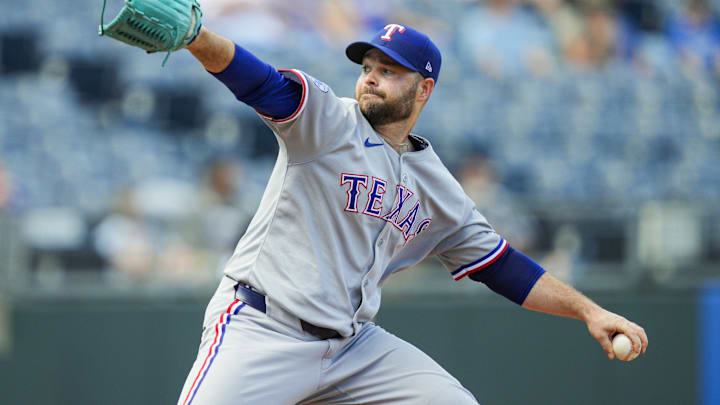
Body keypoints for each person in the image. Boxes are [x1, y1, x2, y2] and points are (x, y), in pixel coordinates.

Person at [103, 10, 648, 402]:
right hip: (262, 329)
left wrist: (589, 311)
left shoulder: (438, 187)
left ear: (424, 89)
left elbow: (504, 267)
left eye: (390, 70)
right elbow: (258, 81)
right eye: (368, 65)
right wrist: (198, 37)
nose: (371, 76)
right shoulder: (327, 122)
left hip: (353, 348)